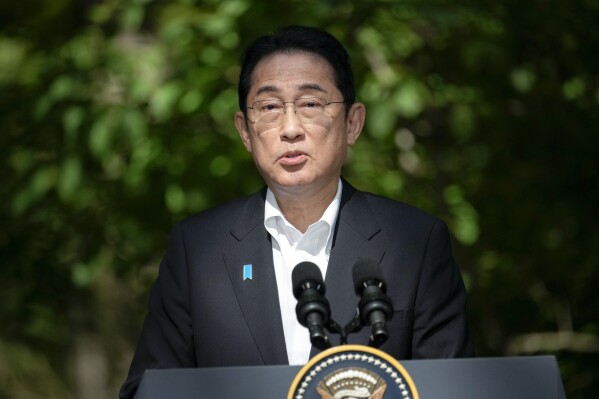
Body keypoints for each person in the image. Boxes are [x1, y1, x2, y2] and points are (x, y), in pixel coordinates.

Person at [119, 25, 473, 399]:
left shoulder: (416, 242)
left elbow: (453, 388)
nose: (290, 129)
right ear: (244, 130)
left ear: (353, 123)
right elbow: (148, 390)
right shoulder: (198, 249)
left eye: (310, 104)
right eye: (269, 107)